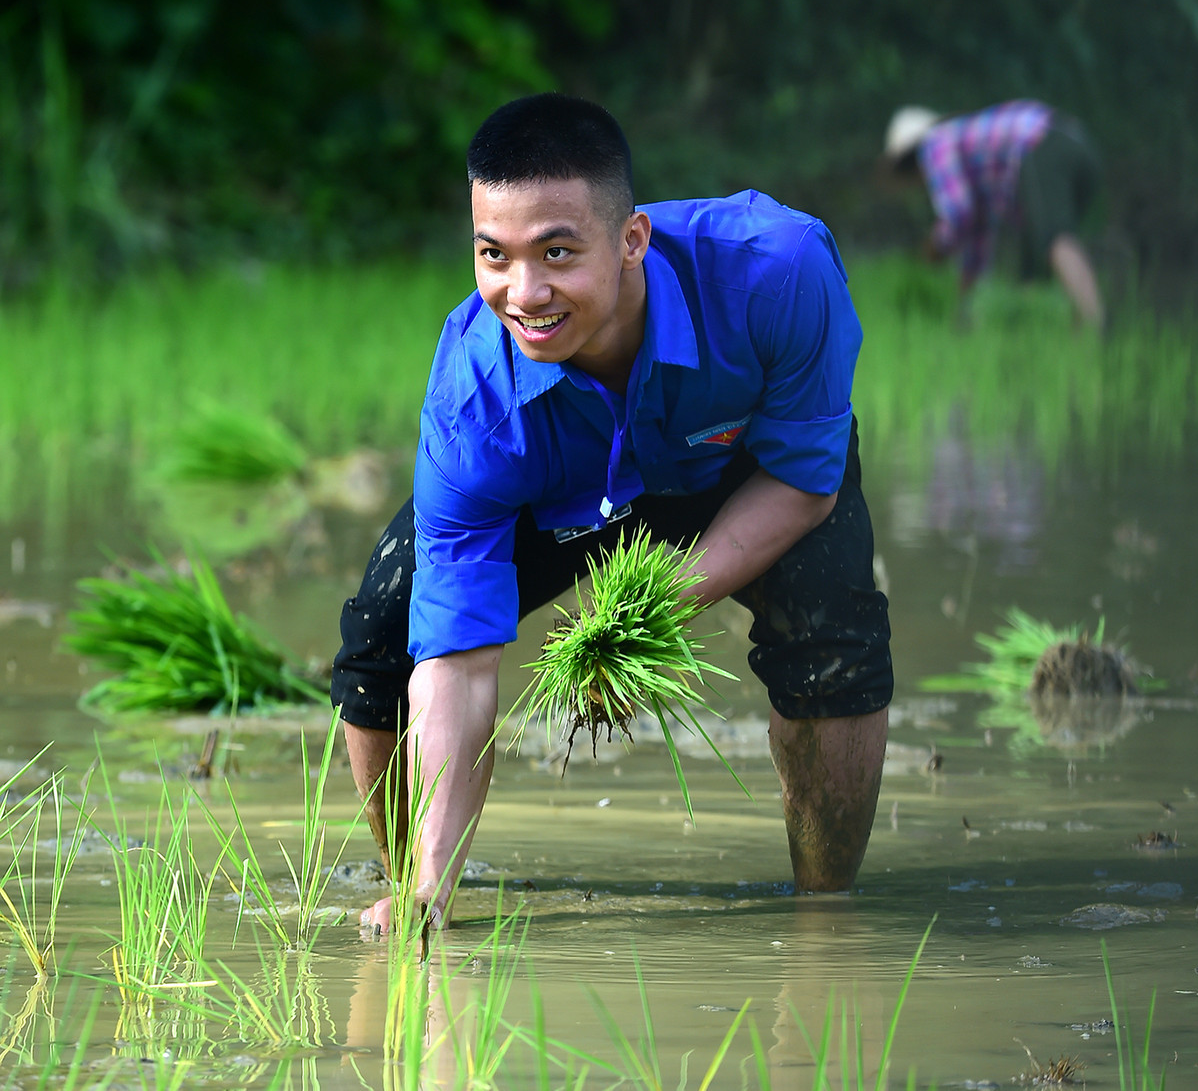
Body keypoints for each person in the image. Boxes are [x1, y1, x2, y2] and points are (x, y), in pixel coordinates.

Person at [331, 92, 893, 932]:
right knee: (382, 634)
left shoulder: (778, 272)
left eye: (557, 252)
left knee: (836, 643)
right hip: (561, 488)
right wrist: (431, 885)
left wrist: (658, 602)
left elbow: (806, 481)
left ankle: (827, 917)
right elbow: (457, 659)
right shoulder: (475, 390)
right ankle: (418, 887)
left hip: (743, 470)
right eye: (494, 254)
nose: (524, 292)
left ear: (632, 240)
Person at [883, 99, 1105, 329]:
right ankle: (1063, 333)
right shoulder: (967, 151)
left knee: (1056, 239)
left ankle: (1094, 325)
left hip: (1042, 144)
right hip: (1078, 143)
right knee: (1039, 259)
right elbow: (977, 234)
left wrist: (937, 246)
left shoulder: (935, 144)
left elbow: (958, 212)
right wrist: (964, 306)